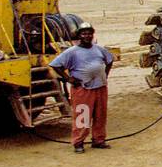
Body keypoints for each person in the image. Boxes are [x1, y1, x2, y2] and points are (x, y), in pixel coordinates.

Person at [48, 21, 114, 154]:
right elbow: (55, 65)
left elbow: (110, 60)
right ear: (79, 36)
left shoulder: (98, 49)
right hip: (83, 89)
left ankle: (98, 140)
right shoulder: (72, 52)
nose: (87, 36)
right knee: (82, 116)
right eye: (84, 33)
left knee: (100, 115)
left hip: (100, 88)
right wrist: (68, 78)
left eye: (89, 33)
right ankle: (78, 142)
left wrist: (105, 75)